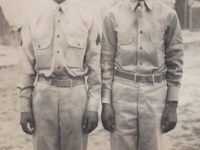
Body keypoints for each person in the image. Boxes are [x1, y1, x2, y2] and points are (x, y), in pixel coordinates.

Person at [18, 0, 101, 150]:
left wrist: (93, 107)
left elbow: (95, 67)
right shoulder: (33, 16)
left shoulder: (87, 16)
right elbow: (26, 68)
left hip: (76, 98)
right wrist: (25, 107)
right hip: (43, 98)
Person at [101, 0, 184, 150]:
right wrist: (106, 103)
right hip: (122, 94)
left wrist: (172, 104)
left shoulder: (168, 14)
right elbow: (106, 62)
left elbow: (175, 60)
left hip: (155, 93)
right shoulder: (112, 15)